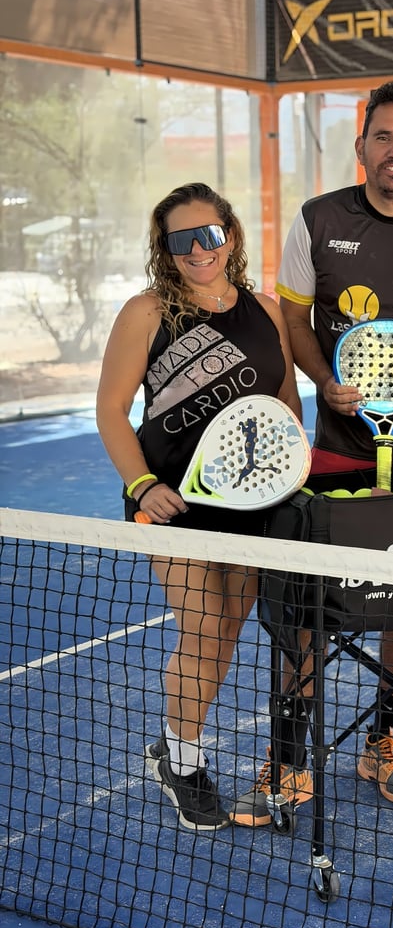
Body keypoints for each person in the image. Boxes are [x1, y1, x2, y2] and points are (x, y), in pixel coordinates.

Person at [229, 80, 393, 826]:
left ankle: (384, 738)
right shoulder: (318, 221)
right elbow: (292, 312)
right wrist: (320, 380)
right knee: (309, 603)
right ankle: (289, 755)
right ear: (362, 146)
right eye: (384, 137)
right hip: (337, 451)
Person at [96, 182, 302, 830]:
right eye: (180, 240)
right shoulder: (146, 312)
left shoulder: (267, 311)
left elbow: (287, 403)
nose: (197, 250)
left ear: (231, 235)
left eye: (208, 234)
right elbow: (109, 410)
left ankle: (172, 744)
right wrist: (139, 487)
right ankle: (183, 761)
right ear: (164, 250)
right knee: (204, 627)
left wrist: (289, 478)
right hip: (172, 505)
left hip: (255, 504)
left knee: (230, 631)